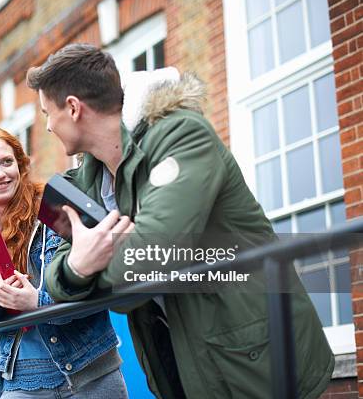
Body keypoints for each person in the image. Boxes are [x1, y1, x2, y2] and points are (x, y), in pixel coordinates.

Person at [26, 44, 334, 399]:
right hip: (179, 355)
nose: (48, 126)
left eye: (47, 113)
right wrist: (79, 267)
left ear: (74, 108)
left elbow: (155, 252)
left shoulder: (182, 135)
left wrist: (93, 271)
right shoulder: (88, 179)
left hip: (253, 353)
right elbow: (59, 271)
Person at [0, 124, 128, 398]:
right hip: (22, 378)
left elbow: (98, 285)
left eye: (7, 162)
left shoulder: (55, 204)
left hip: (89, 368)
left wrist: (37, 303)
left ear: (20, 166)